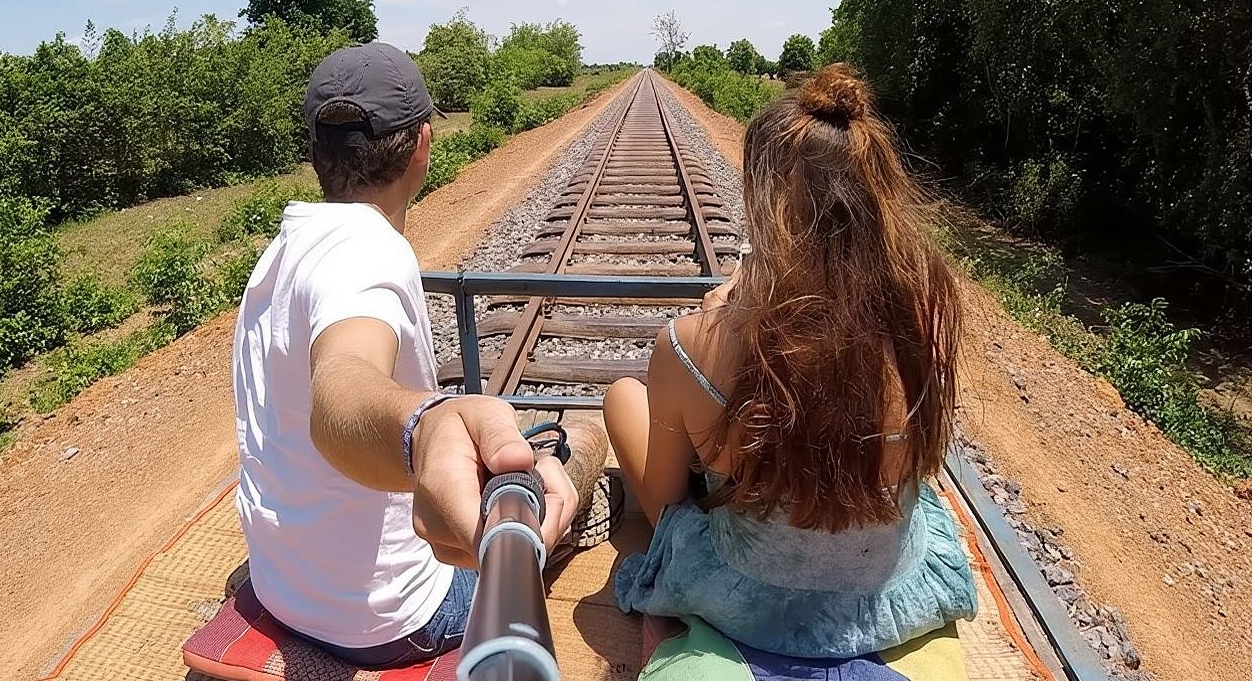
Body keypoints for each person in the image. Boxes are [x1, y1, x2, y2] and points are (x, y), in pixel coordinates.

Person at [231, 42, 603, 669]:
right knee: (580, 443)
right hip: (394, 615)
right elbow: (341, 389)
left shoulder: (284, 248)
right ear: (422, 146)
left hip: (282, 589)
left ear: (318, 155)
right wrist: (424, 429)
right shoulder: (369, 255)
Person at [604, 64, 978, 659]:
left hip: (749, 601)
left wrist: (722, 309)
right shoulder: (927, 310)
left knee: (623, 396)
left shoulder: (691, 340)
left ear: (762, 197)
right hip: (884, 592)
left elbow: (670, 493)